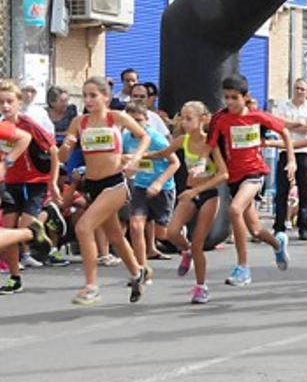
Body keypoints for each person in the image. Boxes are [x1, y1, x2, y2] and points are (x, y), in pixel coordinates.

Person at [59, 76, 150, 305]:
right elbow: (62, 157)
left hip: (116, 183)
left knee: (83, 227)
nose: (88, 100)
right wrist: (65, 147)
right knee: (116, 236)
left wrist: (136, 158)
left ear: (106, 97)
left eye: (93, 95)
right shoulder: (79, 122)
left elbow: (144, 136)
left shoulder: (115, 118)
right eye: (85, 95)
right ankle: (138, 272)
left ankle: (91, 286)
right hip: (93, 185)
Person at [208, 74, 295, 287]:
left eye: (234, 98)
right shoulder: (220, 119)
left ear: (245, 97)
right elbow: (212, 146)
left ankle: (243, 268)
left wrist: (291, 159)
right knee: (255, 229)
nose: (229, 102)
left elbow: (283, 130)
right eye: (226, 97)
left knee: (234, 210)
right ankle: (277, 243)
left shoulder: (257, 117)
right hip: (234, 177)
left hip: (254, 173)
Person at [147, 101, 228, 303]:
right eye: (182, 118)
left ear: (203, 119)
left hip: (208, 195)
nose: (184, 122)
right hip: (190, 193)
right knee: (171, 232)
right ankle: (187, 251)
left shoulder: (211, 143)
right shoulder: (182, 140)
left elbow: (224, 174)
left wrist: (199, 189)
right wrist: (135, 158)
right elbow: (161, 154)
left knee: (199, 242)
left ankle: (201, 286)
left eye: (189, 118)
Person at [0, 80, 60, 293]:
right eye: (1, 102)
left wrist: (53, 182)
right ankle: (14, 278)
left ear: (19, 102)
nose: (5, 106)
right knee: (7, 233)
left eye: (9, 101)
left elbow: (53, 150)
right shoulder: (1, 126)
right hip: (10, 183)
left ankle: (46, 216)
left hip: (34, 182)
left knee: (23, 228)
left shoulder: (28, 124)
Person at [122, 102, 180, 282]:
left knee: (163, 234)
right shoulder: (126, 138)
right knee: (135, 226)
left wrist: (159, 182)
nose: (136, 125)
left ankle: (183, 239)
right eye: (131, 121)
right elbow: (126, 161)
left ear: (147, 121)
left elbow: (175, 163)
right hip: (139, 186)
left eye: (139, 120)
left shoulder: (156, 139)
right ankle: (141, 269)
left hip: (163, 188)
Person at [275, 78, 307, 240]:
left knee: (305, 191)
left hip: (304, 152)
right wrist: (298, 124)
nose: (299, 91)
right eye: (297, 88)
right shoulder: (282, 106)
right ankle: (279, 226)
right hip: (285, 151)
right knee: (282, 190)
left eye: (303, 89)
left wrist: (289, 125)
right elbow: (278, 125)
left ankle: (304, 227)